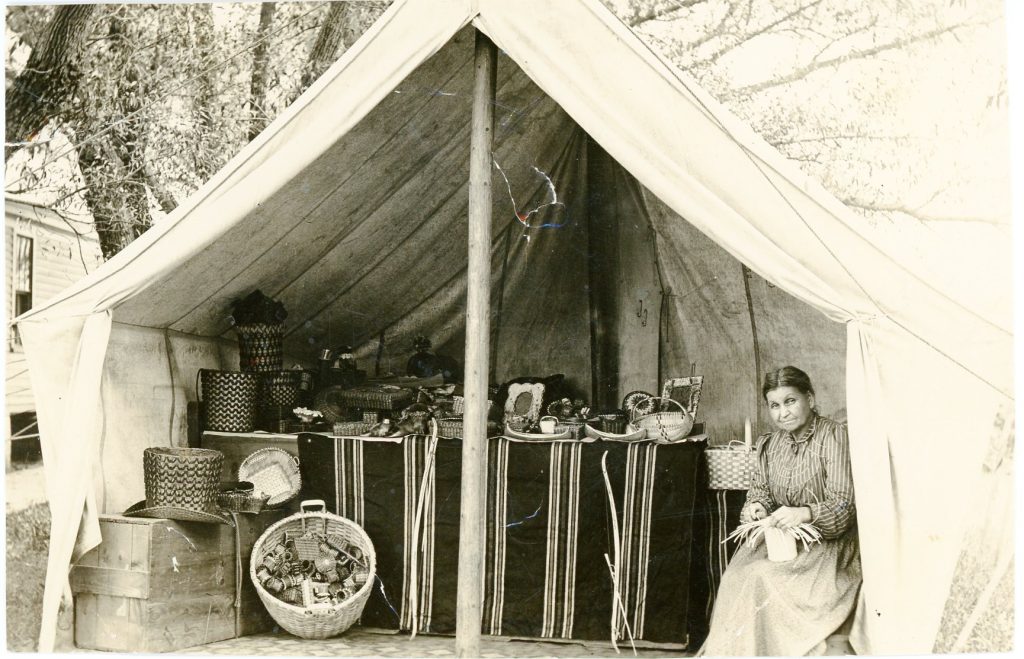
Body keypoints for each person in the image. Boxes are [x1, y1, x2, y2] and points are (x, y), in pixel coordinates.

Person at [700, 366, 861, 656]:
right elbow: (760, 491)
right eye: (774, 405)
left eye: (790, 401)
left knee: (762, 576)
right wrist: (756, 507)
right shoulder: (769, 444)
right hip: (782, 538)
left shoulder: (834, 437)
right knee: (737, 576)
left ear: (809, 399)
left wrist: (805, 513)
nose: (782, 413)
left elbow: (844, 504)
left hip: (826, 543)